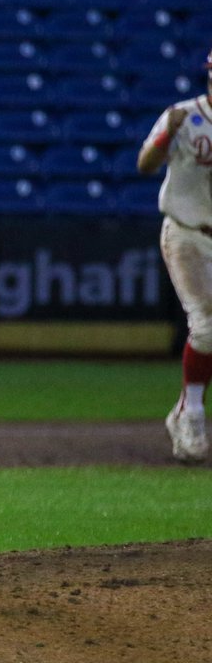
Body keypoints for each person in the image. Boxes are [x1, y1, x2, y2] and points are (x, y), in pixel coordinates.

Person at [137, 47, 212, 463]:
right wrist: (168, 133)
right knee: (205, 327)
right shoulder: (185, 115)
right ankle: (193, 411)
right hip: (186, 232)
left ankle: (185, 408)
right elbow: (145, 164)